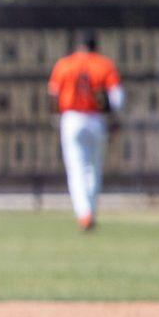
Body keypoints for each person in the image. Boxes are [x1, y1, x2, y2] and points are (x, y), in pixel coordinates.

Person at [47, 32, 124, 231]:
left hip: (71, 118)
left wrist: (56, 117)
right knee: (93, 169)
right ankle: (89, 210)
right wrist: (113, 116)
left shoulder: (65, 64)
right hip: (96, 119)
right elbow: (117, 98)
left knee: (76, 169)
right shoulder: (104, 64)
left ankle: (84, 214)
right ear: (95, 46)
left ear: (79, 46)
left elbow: (53, 95)